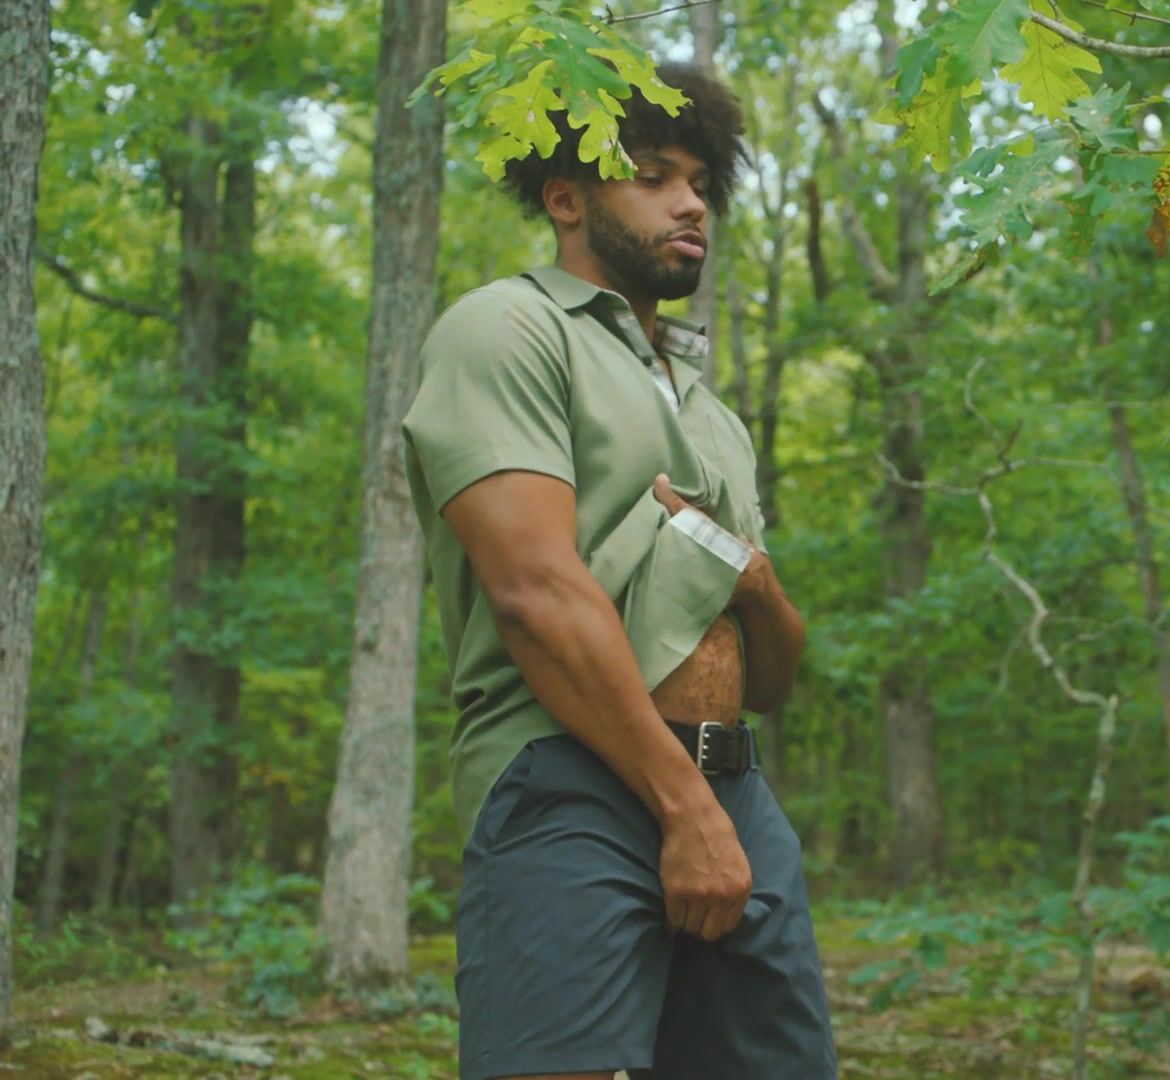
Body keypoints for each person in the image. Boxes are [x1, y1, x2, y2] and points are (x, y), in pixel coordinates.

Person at [400, 62, 837, 1080]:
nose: (692, 204)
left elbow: (771, 677)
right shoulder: (507, 329)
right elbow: (534, 595)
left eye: (701, 184)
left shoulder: (711, 412)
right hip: (566, 775)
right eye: (653, 176)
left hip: (735, 790)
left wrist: (757, 588)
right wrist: (682, 809)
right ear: (566, 199)